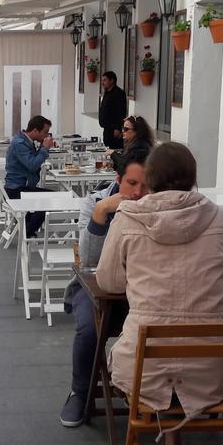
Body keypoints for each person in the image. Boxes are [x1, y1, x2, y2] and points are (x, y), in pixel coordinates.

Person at [96, 143, 223, 445]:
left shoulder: (128, 219)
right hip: (211, 367)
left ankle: (168, 428)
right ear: (192, 177)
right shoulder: (218, 219)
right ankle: (174, 432)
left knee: (135, 351)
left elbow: (108, 281)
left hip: (142, 367)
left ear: (150, 178)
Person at [59, 144, 152, 427]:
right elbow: (88, 263)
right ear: (118, 180)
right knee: (89, 327)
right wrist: (101, 215)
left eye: (145, 186)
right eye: (131, 183)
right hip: (96, 288)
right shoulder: (96, 203)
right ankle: (80, 392)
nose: (137, 193)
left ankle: (161, 389)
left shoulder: (157, 207)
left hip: (144, 289)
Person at [4, 114, 56, 237]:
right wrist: (45, 149)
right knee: (49, 199)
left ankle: (26, 226)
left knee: (50, 197)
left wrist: (43, 148)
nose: (46, 135)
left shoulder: (27, 141)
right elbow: (32, 165)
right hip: (16, 189)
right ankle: (27, 231)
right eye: (45, 132)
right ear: (35, 130)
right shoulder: (19, 143)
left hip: (21, 187)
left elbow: (32, 163)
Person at [98, 71, 128, 149]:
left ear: (112, 81)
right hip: (106, 129)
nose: (102, 83)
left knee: (115, 150)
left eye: (105, 80)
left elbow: (121, 111)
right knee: (108, 149)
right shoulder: (107, 93)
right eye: (102, 80)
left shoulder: (119, 93)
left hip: (114, 130)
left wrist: (118, 128)